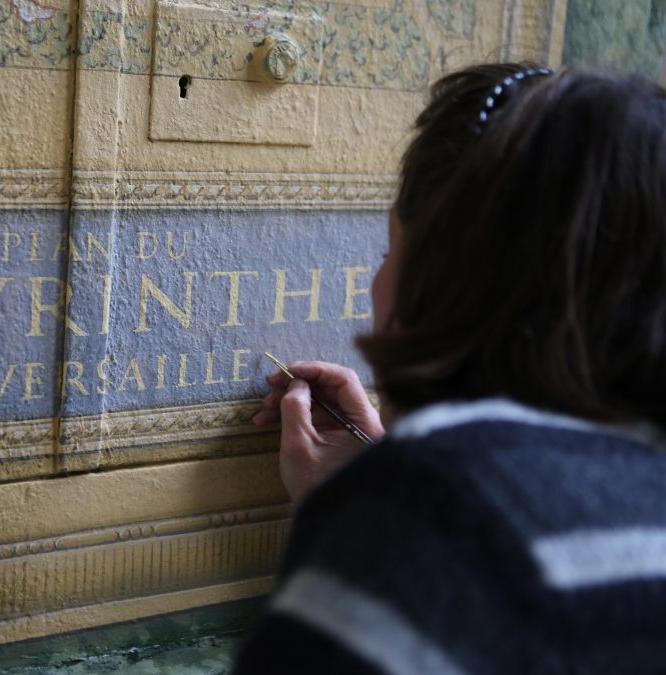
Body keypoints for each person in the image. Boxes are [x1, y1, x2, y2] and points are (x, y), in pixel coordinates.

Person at [232, 63, 666, 674]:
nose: (378, 283)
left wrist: (379, 515)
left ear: (445, 279)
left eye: (391, 253)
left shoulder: (424, 512)